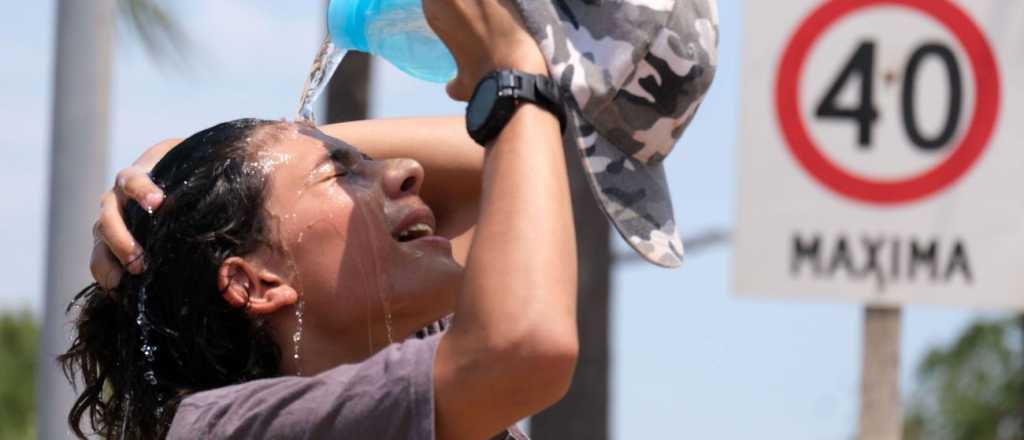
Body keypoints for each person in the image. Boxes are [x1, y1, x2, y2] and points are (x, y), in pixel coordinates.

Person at [75, 0, 719, 437]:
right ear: (255, 281)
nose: (406, 169)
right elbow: (525, 347)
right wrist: (513, 73)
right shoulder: (229, 427)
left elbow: (522, 155)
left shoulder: (391, 347)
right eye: (343, 173)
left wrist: (220, 157)